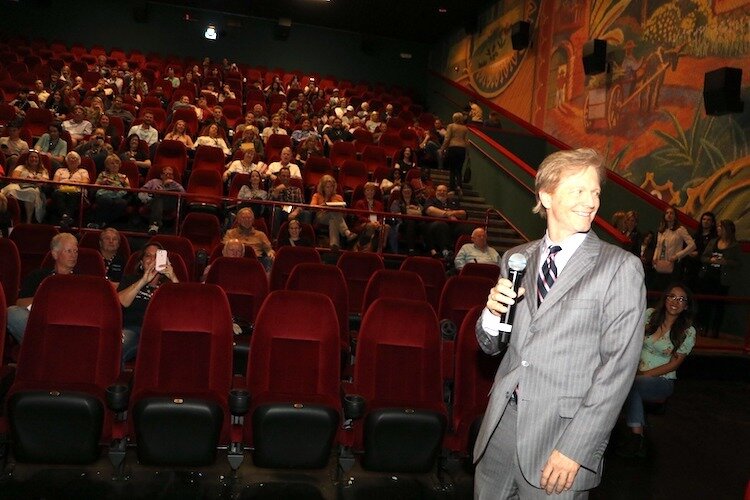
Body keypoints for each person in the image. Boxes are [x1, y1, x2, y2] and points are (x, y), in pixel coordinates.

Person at [474, 148, 645, 498]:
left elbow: (619, 369)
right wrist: (491, 316)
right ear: (546, 195)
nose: (590, 201)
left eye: (595, 191)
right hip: (502, 426)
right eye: (578, 190)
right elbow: (492, 346)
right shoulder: (516, 258)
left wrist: (576, 449)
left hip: (561, 438)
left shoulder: (619, 267)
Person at [618, 283, 696, 458]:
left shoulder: (687, 332)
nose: (675, 301)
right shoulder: (650, 316)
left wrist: (642, 375)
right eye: (672, 296)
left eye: (681, 299)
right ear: (665, 299)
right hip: (635, 375)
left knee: (632, 385)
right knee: (630, 386)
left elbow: (674, 365)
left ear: (686, 306)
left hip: (663, 381)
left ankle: (636, 437)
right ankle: (636, 437)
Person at [7, 233, 79, 344]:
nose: (73, 255)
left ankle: (47, 347)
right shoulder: (37, 276)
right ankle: (44, 346)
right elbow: (20, 303)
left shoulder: (82, 280)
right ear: (55, 254)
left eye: (76, 251)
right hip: (40, 323)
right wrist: (47, 299)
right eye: (69, 251)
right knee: (12, 313)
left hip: (69, 324)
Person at [118, 243, 179, 362]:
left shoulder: (169, 286)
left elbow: (183, 308)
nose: (152, 260)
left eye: (157, 256)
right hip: (132, 329)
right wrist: (143, 280)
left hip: (161, 332)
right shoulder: (130, 280)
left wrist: (173, 276)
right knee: (117, 347)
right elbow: (120, 301)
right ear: (141, 262)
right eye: (148, 256)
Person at [699, 220, 741, 338]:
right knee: (706, 303)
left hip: (723, 279)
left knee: (719, 306)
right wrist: (710, 260)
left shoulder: (734, 246)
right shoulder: (713, 242)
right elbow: (703, 257)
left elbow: (738, 263)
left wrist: (725, 262)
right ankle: (704, 327)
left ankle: (715, 330)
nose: (718, 229)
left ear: (726, 230)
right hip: (709, 276)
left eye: (720, 227)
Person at [652, 206, 695, 290]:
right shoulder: (662, 229)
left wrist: (677, 255)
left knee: (671, 288)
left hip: (673, 264)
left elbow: (692, 245)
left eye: (671, 213)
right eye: (667, 213)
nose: (669, 215)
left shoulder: (680, 230)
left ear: (675, 216)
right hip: (661, 262)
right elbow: (658, 245)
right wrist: (654, 257)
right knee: (659, 287)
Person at [1, 150, 50, 224]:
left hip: (34, 188)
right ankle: (12, 218)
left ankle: (28, 221)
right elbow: (14, 178)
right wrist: (27, 179)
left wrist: (36, 180)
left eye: (36, 157)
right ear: (27, 159)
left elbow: (44, 183)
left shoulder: (43, 171)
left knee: (31, 192)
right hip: (19, 186)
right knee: (11, 190)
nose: (33, 159)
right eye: (31, 157)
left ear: (39, 160)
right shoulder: (21, 167)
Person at [311, 175, 357, 250]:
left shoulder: (338, 197)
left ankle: (334, 245)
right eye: (327, 187)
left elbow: (344, 214)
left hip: (335, 218)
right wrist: (323, 205)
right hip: (321, 217)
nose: (330, 189)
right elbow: (312, 207)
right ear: (322, 187)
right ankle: (347, 232)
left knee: (333, 219)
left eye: (331, 187)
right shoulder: (317, 196)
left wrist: (341, 208)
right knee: (334, 212)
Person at [423, 184, 468, 259]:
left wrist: (452, 213)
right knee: (441, 224)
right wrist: (448, 214)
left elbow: (464, 213)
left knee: (466, 227)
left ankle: (463, 253)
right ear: (436, 192)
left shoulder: (454, 201)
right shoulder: (431, 200)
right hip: (434, 226)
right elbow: (430, 210)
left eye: (444, 191)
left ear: (447, 193)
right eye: (439, 190)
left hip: (453, 226)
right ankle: (445, 251)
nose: (442, 192)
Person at [223, 208, 274, 273]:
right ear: (238, 220)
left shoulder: (261, 234)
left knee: (269, 260)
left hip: (256, 262)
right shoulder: (230, 233)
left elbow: (269, 249)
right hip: (236, 260)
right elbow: (224, 248)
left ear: (253, 220)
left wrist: (270, 252)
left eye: (249, 218)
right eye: (243, 218)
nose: (246, 220)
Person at [139, 166, 185, 235]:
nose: (169, 176)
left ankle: (154, 226)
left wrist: (170, 186)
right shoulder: (153, 181)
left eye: (171, 174)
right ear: (161, 175)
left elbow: (184, 195)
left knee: (162, 195)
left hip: (168, 205)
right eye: (166, 174)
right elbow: (141, 192)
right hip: (152, 203)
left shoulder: (176, 185)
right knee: (158, 197)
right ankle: (155, 225)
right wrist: (149, 198)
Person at [52, 151, 90, 227]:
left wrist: (69, 181)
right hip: (61, 191)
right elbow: (55, 183)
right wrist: (72, 182)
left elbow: (85, 183)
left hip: (77, 191)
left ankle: (65, 217)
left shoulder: (83, 171)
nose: (72, 160)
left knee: (74, 195)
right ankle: (66, 217)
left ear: (79, 161)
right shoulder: (60, 170)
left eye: (74, 158)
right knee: (57, 194)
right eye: (70, 158)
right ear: (67, 161)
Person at [92, 154, 131, 227]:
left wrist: (123, 184)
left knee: (121, 203)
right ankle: (104, 223)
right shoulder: (103, 174)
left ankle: (103, 222)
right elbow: (95, 186)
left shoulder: (123, 176)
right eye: (112, 163)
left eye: (117, 163)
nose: (115, 165)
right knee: (106, 200)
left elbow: (129, 189)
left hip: (118, 195)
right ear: (107, 166)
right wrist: (102, 182)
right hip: (104, 194)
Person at [353, 182, 389, 252]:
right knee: (371, 226)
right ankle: (366, 247)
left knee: (386, 227)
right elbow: (360, 216)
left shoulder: (379, 204)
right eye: (368, 190)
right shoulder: (360, 203)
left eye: (372, 190)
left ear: (375, 192)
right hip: (363, 223)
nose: (370, 192)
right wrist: (370, 222)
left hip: (377, 223)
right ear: (364, 192)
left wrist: (378, 222)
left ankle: (380, 249)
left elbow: (382, 216)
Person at [388, 183, 423, 255]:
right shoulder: (396, 202)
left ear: (412, 191)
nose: (407, 190)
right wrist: (411, 211)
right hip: (401, 225)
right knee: (410, 221)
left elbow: (420, 214)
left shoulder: (417, 202)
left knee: (424, 225)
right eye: (404, 188)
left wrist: (406, 212)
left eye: (409, 188)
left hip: (417, 225)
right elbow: (395, 214)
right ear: (401, 191)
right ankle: (411, 249)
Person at [439, 112, 469, 195]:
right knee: (459, 169)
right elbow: (467, 141)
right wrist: (467, 153)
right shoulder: (465, 128)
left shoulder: (451, 126)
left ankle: (452, 188)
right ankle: (459, 185)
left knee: (452, 169)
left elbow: (447, 138)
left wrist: (442, 149)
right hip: (462, 149)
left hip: (453, 148)